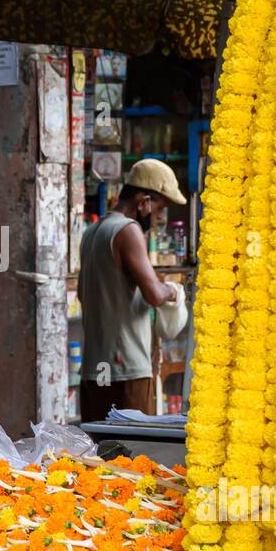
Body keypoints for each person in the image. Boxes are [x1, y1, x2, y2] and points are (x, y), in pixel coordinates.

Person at [78, 158, 187, 420]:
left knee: (96, 455)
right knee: (133, 455)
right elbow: (153, 294)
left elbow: (83, 294)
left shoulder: (92, 232)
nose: (159, 217)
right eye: (159, 208)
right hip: (126, 370)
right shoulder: (128, 230)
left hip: (95, 371)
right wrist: (172, 290)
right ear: (143, 201)